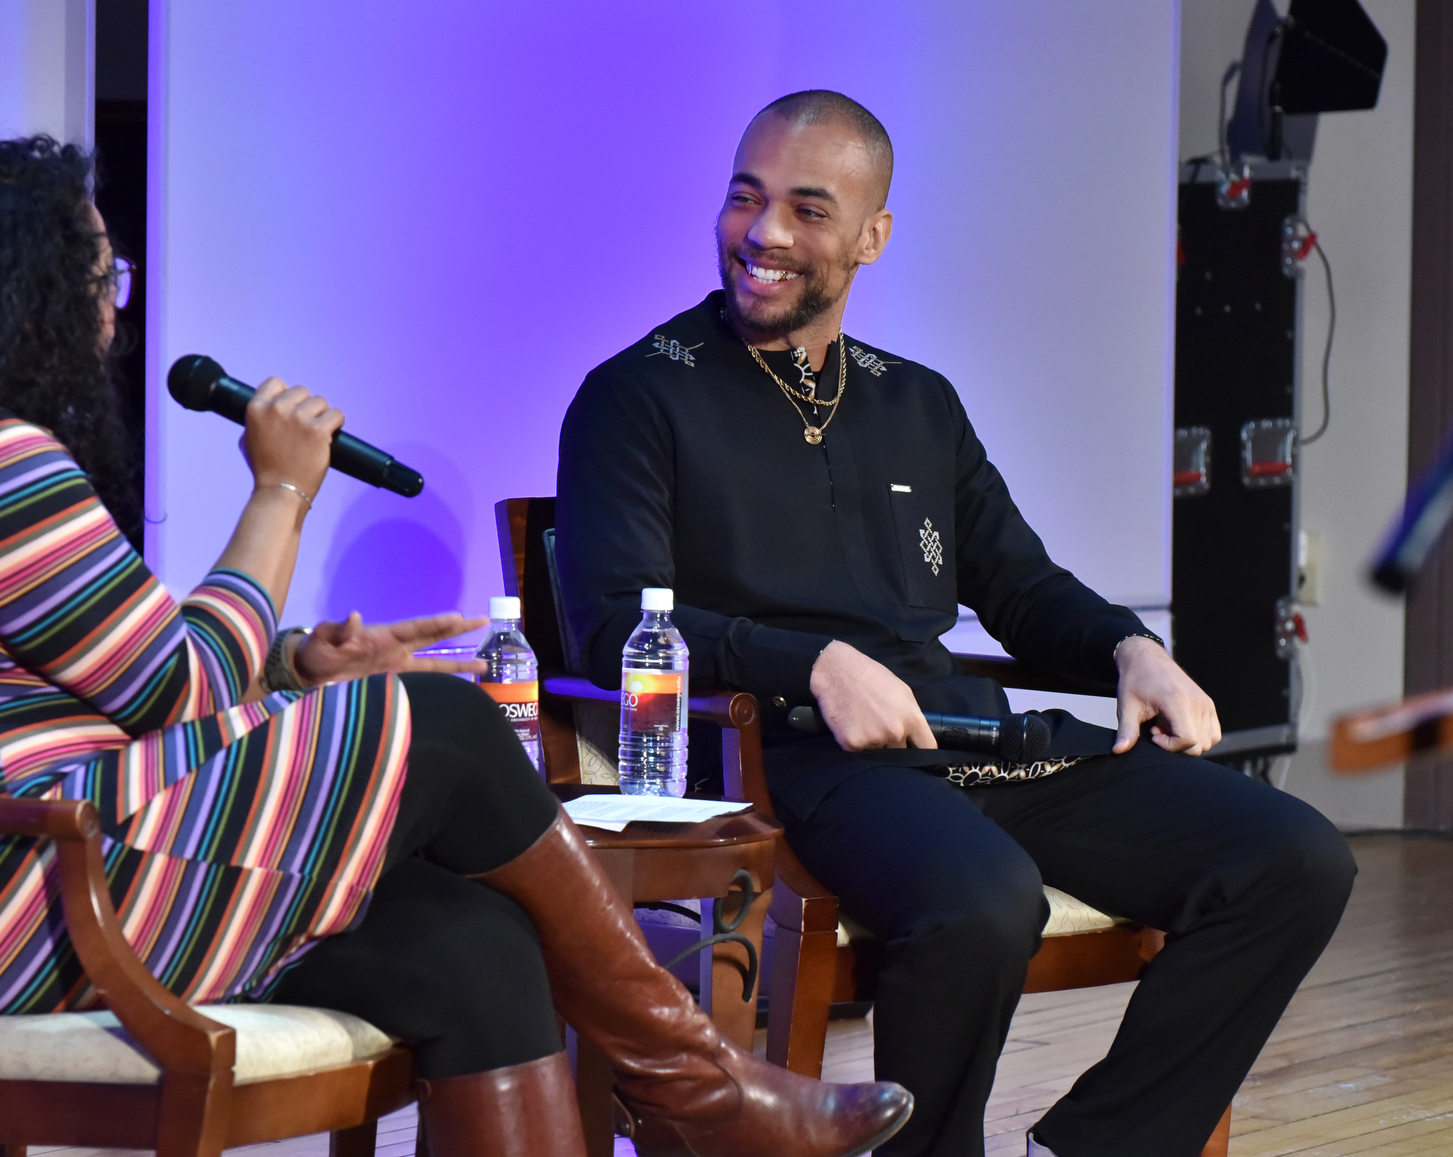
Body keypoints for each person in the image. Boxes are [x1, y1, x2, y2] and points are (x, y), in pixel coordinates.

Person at [0, 137, 911, 1157]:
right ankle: (701, 1089)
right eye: (101, 274)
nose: (116, 305)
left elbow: (122, 676)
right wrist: (281, 494)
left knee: (473, 946)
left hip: (18, 880)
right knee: (446, 725)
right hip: (15, 896)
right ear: (21, 297)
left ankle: (696, 1094)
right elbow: (177, 683)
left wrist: (298, 667)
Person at [555, 92, 1357, 1157]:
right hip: (788, 756)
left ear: (873, 236)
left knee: (1294, 855)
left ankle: (1092, 1144)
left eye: (808, 208)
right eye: (747, 198)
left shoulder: (916, 403)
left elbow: (1020, 583)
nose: (765, 234)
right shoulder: (634, 396)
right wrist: (812, 664)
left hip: (971, 743)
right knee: (982, 896)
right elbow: (611, 625)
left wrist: (1132, 645)